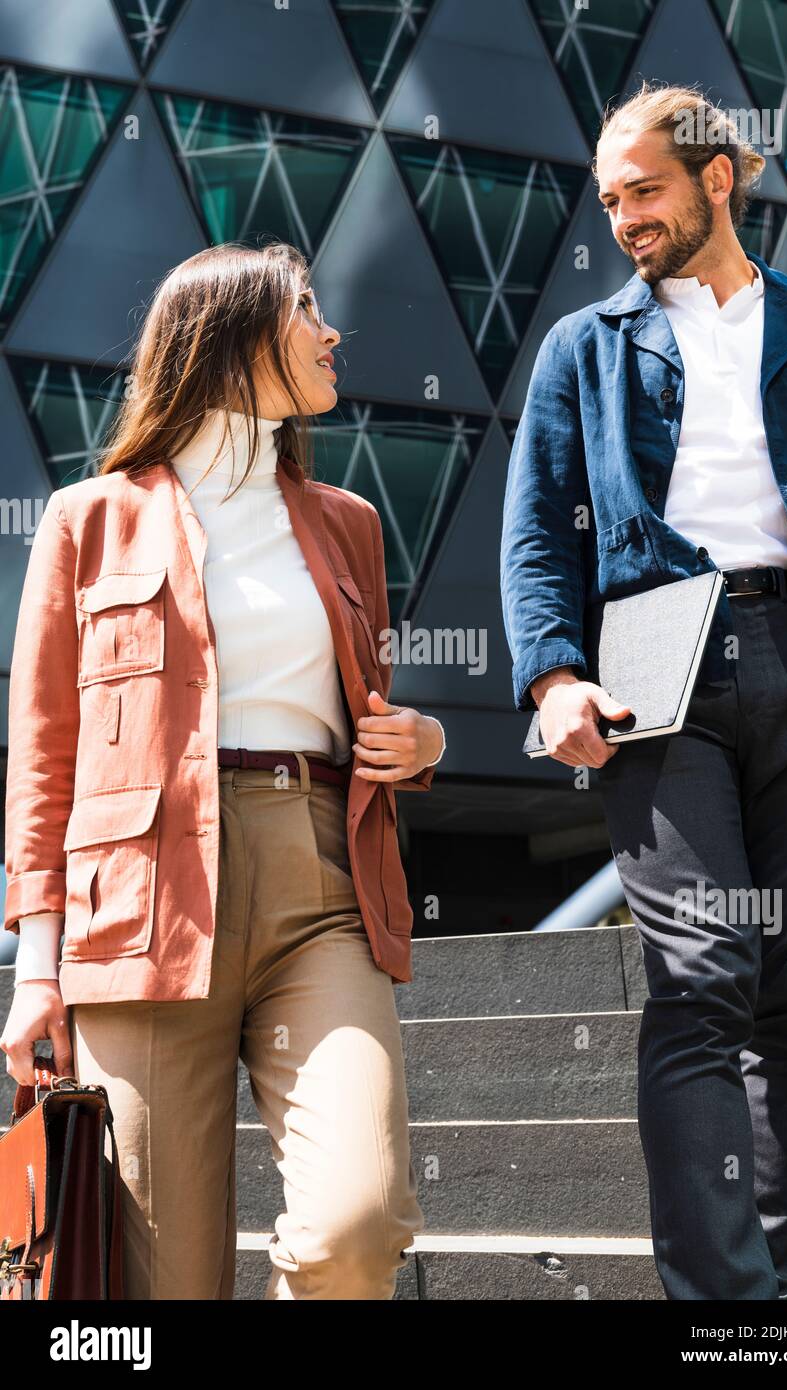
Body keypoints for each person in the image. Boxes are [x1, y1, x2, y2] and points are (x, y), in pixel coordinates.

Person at [1, 240, 447, 1300]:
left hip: (321, 885)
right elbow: (46, 754)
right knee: (162, 1283)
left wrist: (421, 745)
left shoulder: (351, 525)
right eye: (305, 308)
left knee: (357, 1219)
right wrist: (33, 969)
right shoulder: (86, 519)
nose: (332, 332)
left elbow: (368, 708)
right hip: (140, 912)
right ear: (232, 333)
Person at [500, 81, 787, 1301]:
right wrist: (553, 675)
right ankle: (721, 1307)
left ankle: (763, 1290)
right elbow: (536, 535)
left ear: (718, 178)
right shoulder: (582, 345)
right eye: (608, 199)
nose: (623, 219)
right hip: (660, 663)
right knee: (705, 977)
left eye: (643, 190)